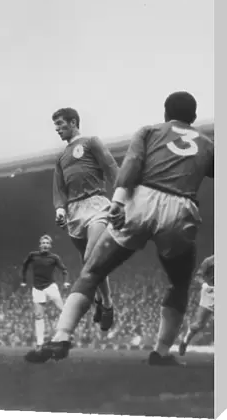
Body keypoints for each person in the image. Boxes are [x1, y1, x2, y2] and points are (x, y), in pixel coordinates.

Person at [25, 91, 214, 366]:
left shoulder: (149, 131)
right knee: (179, 284)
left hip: (140, 201)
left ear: (165, 113)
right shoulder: (208, 143)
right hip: (180, 209)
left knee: (92, 270)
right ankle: (160, 353)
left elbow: (130, 165)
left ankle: (61, 337)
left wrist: (118, 201)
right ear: (194, 118)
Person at [52, 107, 119, 331]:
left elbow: (111, 168)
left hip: (97, 205)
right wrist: (60, 209)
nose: (57, 129)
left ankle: (107, 305)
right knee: (88, 264)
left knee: (92, 256)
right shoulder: (61, 158)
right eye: (55, 125)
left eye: (60, 124)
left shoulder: (91, 143)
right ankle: (99, 301)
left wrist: (122, 197)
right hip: (74, 213)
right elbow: (59, 188)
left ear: (73, 122)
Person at [21, 235, 70, 349]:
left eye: (47, 243)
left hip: (50, 287)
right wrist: (23, 280)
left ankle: (65, 336)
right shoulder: (33, 255)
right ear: (40, 244)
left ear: (50, 246)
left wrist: (66, 281)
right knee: (38, 316)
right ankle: (40, 343)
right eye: (43, 243)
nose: (45, 245)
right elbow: (25, 265)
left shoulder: (54, 257)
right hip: (38, 288)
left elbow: (64, 270)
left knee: (63, 311)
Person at [179, 254, 214, 356]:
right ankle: (185, 341)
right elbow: (198, 277)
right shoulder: (209, 261)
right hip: (211, 293)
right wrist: (204, 284)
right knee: (199, 324)